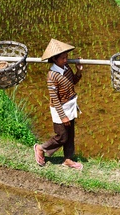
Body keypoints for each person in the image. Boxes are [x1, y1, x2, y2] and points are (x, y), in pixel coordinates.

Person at [34, 38, 83, 170]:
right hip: (59, 109)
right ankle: (41, 148)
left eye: (66, 57)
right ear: (54, 59)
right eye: (63, 58)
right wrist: (63, 117)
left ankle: (67, 159)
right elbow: (54, 99)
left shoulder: (66, 67)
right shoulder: (52, 75)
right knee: (62, 136)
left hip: (70, 105)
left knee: (70, 135)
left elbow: (72, 81)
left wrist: (78, 71)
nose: (66, 60)